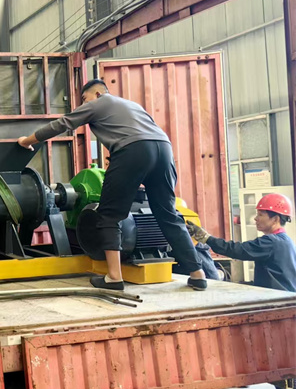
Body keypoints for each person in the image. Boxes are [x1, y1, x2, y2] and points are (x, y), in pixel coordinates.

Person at [17, 78, 207, 291]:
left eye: (84, 98)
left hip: (133, 150)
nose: (83, 104)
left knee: (109, 215)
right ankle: (197, 274)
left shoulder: (100, 103)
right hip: (164, 149)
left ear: (97, 94)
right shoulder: (133, 105)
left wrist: (27, 141)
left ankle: (114, 277)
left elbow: (62, 124)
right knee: (168, 214)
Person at [188, 193, 296, 389]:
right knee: (282, 368)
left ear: (275, 218)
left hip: (279, 315)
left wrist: (206, 238)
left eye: (260, 214)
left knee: (283, 370)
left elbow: (237, 250)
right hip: (283, 312)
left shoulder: (271, 243)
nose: (255, 218)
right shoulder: (284, 241)